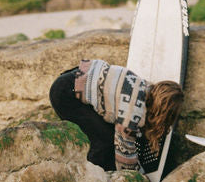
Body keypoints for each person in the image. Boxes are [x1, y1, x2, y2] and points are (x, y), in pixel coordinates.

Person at [48, 59, 184, 171]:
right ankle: (93, 180)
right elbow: (124, 152)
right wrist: (137, 176)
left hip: (73, 76)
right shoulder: (133, 109)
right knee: (103, 143)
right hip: (66, 94)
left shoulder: (143, 87)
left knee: (106, 133)